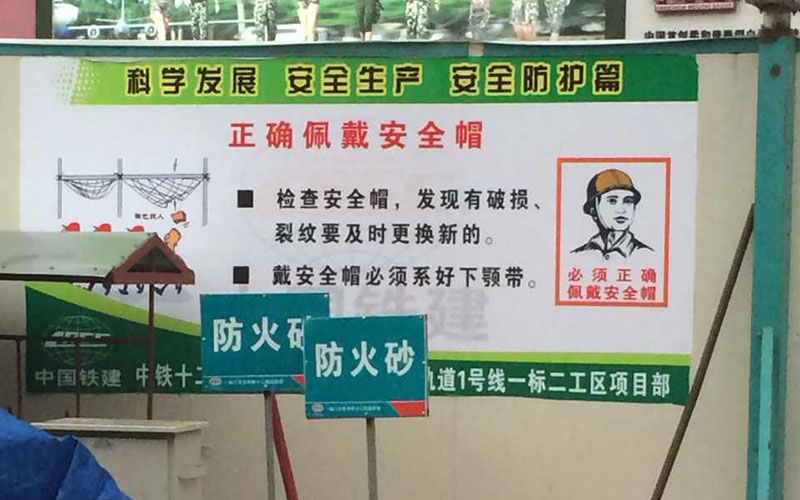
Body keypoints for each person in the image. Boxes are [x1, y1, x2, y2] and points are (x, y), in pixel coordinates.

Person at [572, 169, 652, 259]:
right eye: (612, 201)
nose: (621, 210)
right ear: (593, 211)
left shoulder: (646, 255)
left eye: (628, 201)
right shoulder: (577, 255)